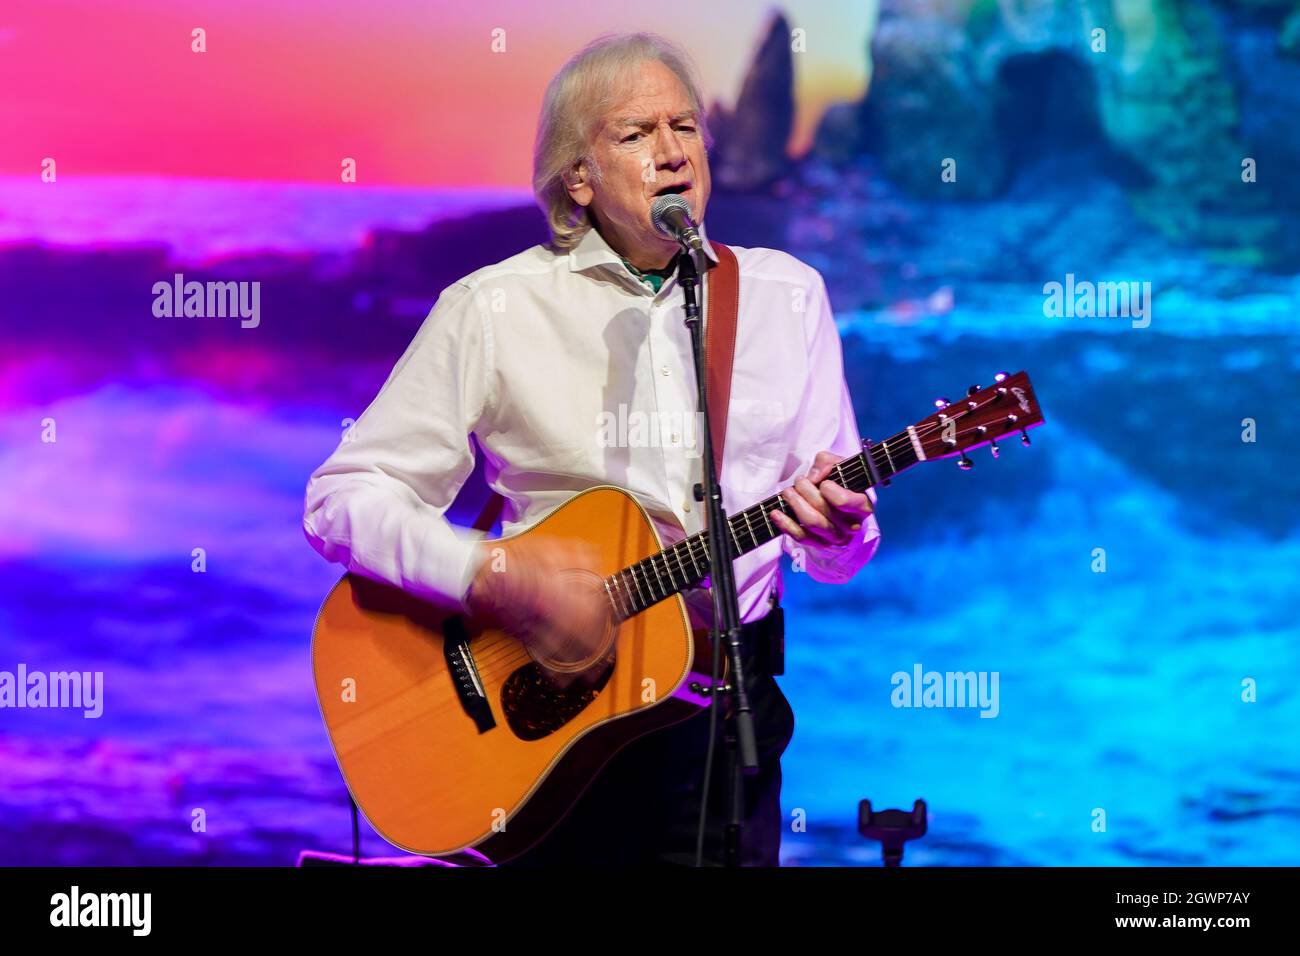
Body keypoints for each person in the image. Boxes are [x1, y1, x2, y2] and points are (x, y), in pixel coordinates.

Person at [302, 31, 880, 866]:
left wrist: (838, 531)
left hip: (730, 718)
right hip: (550, 723)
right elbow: (342, 498)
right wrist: (491, 575)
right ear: (578, 176)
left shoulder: (789, 298)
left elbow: (839, 551)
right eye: (636, 135)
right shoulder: (493, 308)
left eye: (685, 127)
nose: (673, 152)